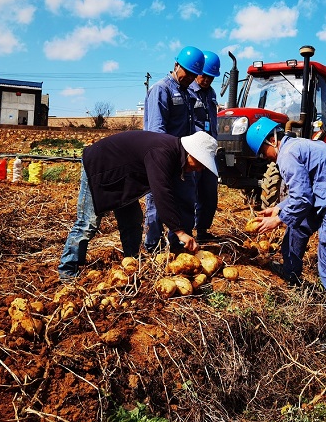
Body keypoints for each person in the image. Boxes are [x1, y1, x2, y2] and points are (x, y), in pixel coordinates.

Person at [246, 117, 326, 349]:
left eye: (263, 153)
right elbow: (305, 192)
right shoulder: (300, 146)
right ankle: (290, 272)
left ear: (271, 141)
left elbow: (302, 199)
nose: (265, 158)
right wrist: (279, 208)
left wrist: (277, 220)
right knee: (299, 225)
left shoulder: (287, 155)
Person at [58, 130, 218, 280]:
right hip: (99, 167)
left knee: (132, 220)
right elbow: (162, 193)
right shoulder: (163, 152)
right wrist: (180, 231)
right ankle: (67, 270)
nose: (199, 168)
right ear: (191, 153)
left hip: (121, 177)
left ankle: (132, 261)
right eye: (199, 162)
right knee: (87, 224)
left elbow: (171, 195)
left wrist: (180, 227)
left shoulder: (175, 155)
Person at [143, 46, 204, 252]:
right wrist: (166, 159)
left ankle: (180, 248)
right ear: (176, 65)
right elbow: (156, 130)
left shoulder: (188, 94)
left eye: (194, 75)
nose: (190, 78)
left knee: (186, 201)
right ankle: (153, 249)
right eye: (187, 73)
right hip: (164, 158)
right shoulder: (162, 89)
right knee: (159, 203)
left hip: (184, 160)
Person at [189, 50, 221, 243]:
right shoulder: (189, 91)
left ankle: (202, 230)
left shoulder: (212, 93)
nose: (207, 80)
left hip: (209, 150)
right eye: (205, 75)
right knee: (189, 193)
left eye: (211, 77)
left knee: (209, 193)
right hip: (193, 150)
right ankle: (185, 233)